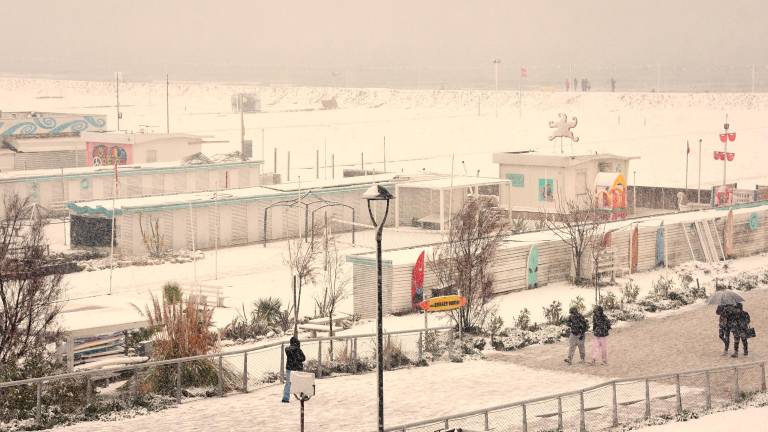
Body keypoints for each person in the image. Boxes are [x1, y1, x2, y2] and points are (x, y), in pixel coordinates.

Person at [282, 336, 306, 403]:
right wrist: (298, 358)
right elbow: (303, 358)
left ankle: (285, 398)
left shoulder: (287, 349)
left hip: (289, 368)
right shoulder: (298, 350)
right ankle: (303, 394)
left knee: (288, 383)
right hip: (297, 368)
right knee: (300, 381)